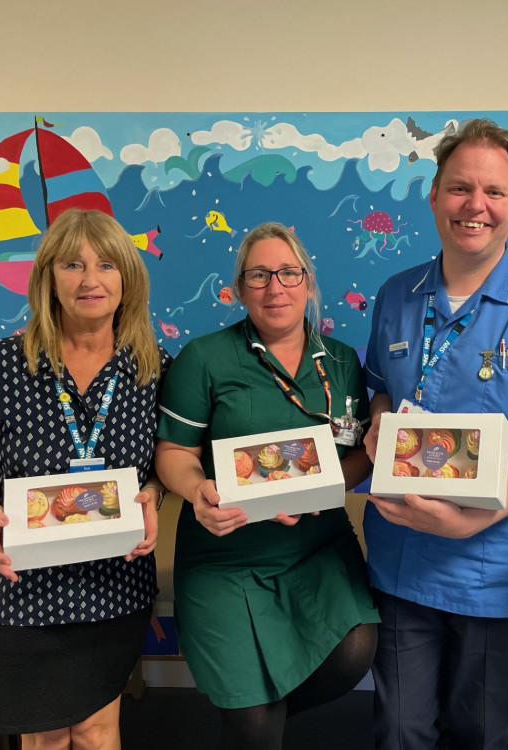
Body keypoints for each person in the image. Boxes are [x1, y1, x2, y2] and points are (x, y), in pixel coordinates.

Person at [362, 118, 508, 749]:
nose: (477, 206)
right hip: (402, 557)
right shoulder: (397, 294)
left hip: (495, 566)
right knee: (398, 726)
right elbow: (379, 387)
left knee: (483, 730)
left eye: (494, 192)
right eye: (460, 188)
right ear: (436, 195)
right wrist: (382, 421)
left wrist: (473, 520)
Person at [0, 207, 170, 748]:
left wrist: (153, 496)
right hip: (24, 581)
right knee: (44, 735)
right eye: (73, 264)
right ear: (48, 277)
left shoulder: (153, 366)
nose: (90, 280)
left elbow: (164, 464)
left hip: (113, 580)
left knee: (97, 728)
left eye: (107, 265)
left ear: (128, 279)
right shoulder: (0, 363)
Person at [154, 222, 378, 750]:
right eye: (258, 275)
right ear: (237, 288)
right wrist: (197, 494)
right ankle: (251, 720)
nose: (275, 287)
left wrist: (316, 491)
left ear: (307, 281)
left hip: (316, 545)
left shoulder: (342, 363)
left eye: (287, 273)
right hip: (226, 553)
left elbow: (355, 458)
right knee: (253, 722)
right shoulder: (204, 359)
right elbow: (173, 453)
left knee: (355, 649)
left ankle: (255, 716)